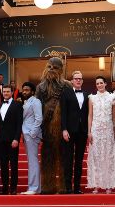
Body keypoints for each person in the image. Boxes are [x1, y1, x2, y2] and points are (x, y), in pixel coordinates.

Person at [35, 57, 72, 195]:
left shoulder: (66, 85)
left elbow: (71, 107)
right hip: (47, 127)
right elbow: (36, 109)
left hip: (63, 128)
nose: (51, 69)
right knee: (47, 158)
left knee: (64, 158)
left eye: (54, 67)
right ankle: (47, 186)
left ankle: (63, 186)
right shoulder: (40, 87)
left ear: (61, 70)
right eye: (49, 66)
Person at [86, 76, 115, 193]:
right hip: (95, 130)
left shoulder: (112, 97)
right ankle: (96, 185)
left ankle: (109, 185)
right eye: (97, 83)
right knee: (96, 157)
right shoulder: (92, 98)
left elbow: (114, 117)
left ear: (105, 84)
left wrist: (114, 132)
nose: (99, 85)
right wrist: (89, 131)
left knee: (108, 157)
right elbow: (90, 115)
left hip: (108, 130)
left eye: (101, 83)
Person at [60, 70, 88, 194]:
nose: (78, 80)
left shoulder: (87, 95)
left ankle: (77, 187)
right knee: (68, 159)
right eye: (76, 78)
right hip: (69, 131)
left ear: (82, 80)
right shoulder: (65, 93)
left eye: (80, 78)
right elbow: (63, 113)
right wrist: (64, 129)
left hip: (82, 131)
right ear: (72, 81)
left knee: (79, 160)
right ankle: (67, 187)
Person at [0, 84, 23, 194]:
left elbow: (19, 123)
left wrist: (16, 138)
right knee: (3, 165)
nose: (6, 93)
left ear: (12, 93)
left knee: (13, 165)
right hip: (1, 140)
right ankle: (5, 187)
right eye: (4, 92)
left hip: (12, 140)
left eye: (8, 92)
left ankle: (13, 188)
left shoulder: (17, 105)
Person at [20, 81, 42, 195]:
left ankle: (34, 188)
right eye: (23, 90)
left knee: (33, 161)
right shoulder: (26, 102)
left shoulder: (36, 101)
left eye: (27, 90)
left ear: (32, 92)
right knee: (31, 161)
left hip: (31, 135)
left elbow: (39, 118)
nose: (24, 91)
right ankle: (34, 187)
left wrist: (32, 133)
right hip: (26, 134)